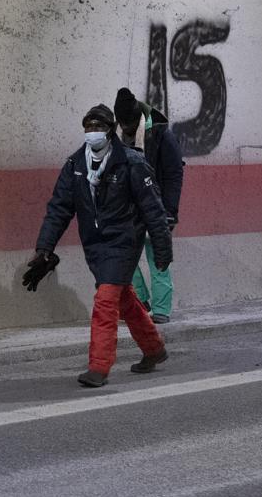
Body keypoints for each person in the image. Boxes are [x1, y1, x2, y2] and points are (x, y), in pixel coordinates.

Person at [27, 104, 173, 387]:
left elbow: (153, 209)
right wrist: (44, 247)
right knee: (125, 300)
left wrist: (163, 250)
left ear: (111, 130)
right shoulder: (75, 166)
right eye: (88, 127)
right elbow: (59, 208)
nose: (93, 132)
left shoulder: (131, 162)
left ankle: (98, 367)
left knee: (106, 300)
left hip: (124, 241)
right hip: (95, 245)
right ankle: (155, 350)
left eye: (99, 127)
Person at [114, 87, 185, 322]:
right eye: (121, 125)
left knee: (158, 259)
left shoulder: (162, 134)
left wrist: (170, 211)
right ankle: (140, 300)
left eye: (129, 125)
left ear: (138, 119)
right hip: (127, 210)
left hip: (156, 206)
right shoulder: (116, 135)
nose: (125, 130)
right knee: (125, 260)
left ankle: (162, 309)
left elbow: (174, 174)